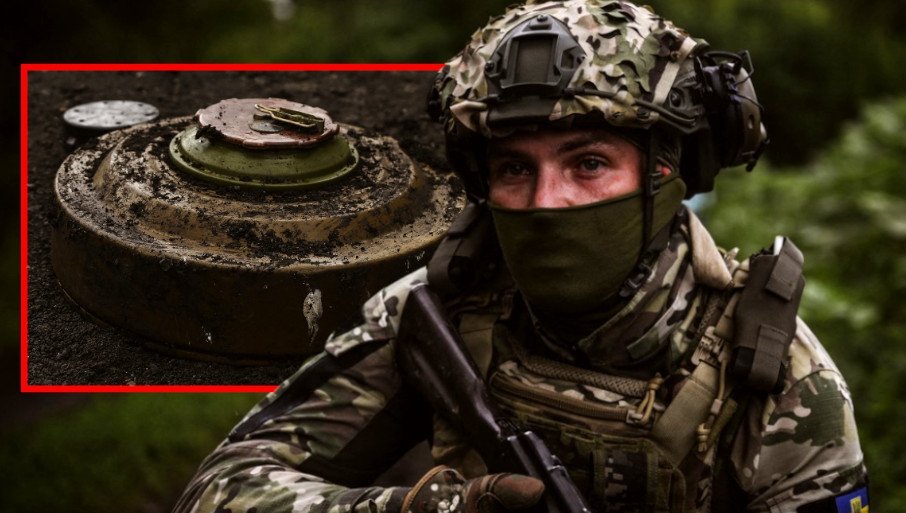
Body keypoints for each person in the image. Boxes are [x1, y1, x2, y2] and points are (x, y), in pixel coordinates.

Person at [173, 1, 868, 512]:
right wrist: (425, 507)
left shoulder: (777, 380)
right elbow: (219, 487)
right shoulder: (442, 308)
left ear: (666, 173)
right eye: (514, 168)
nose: (546, 201)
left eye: (588, 163)